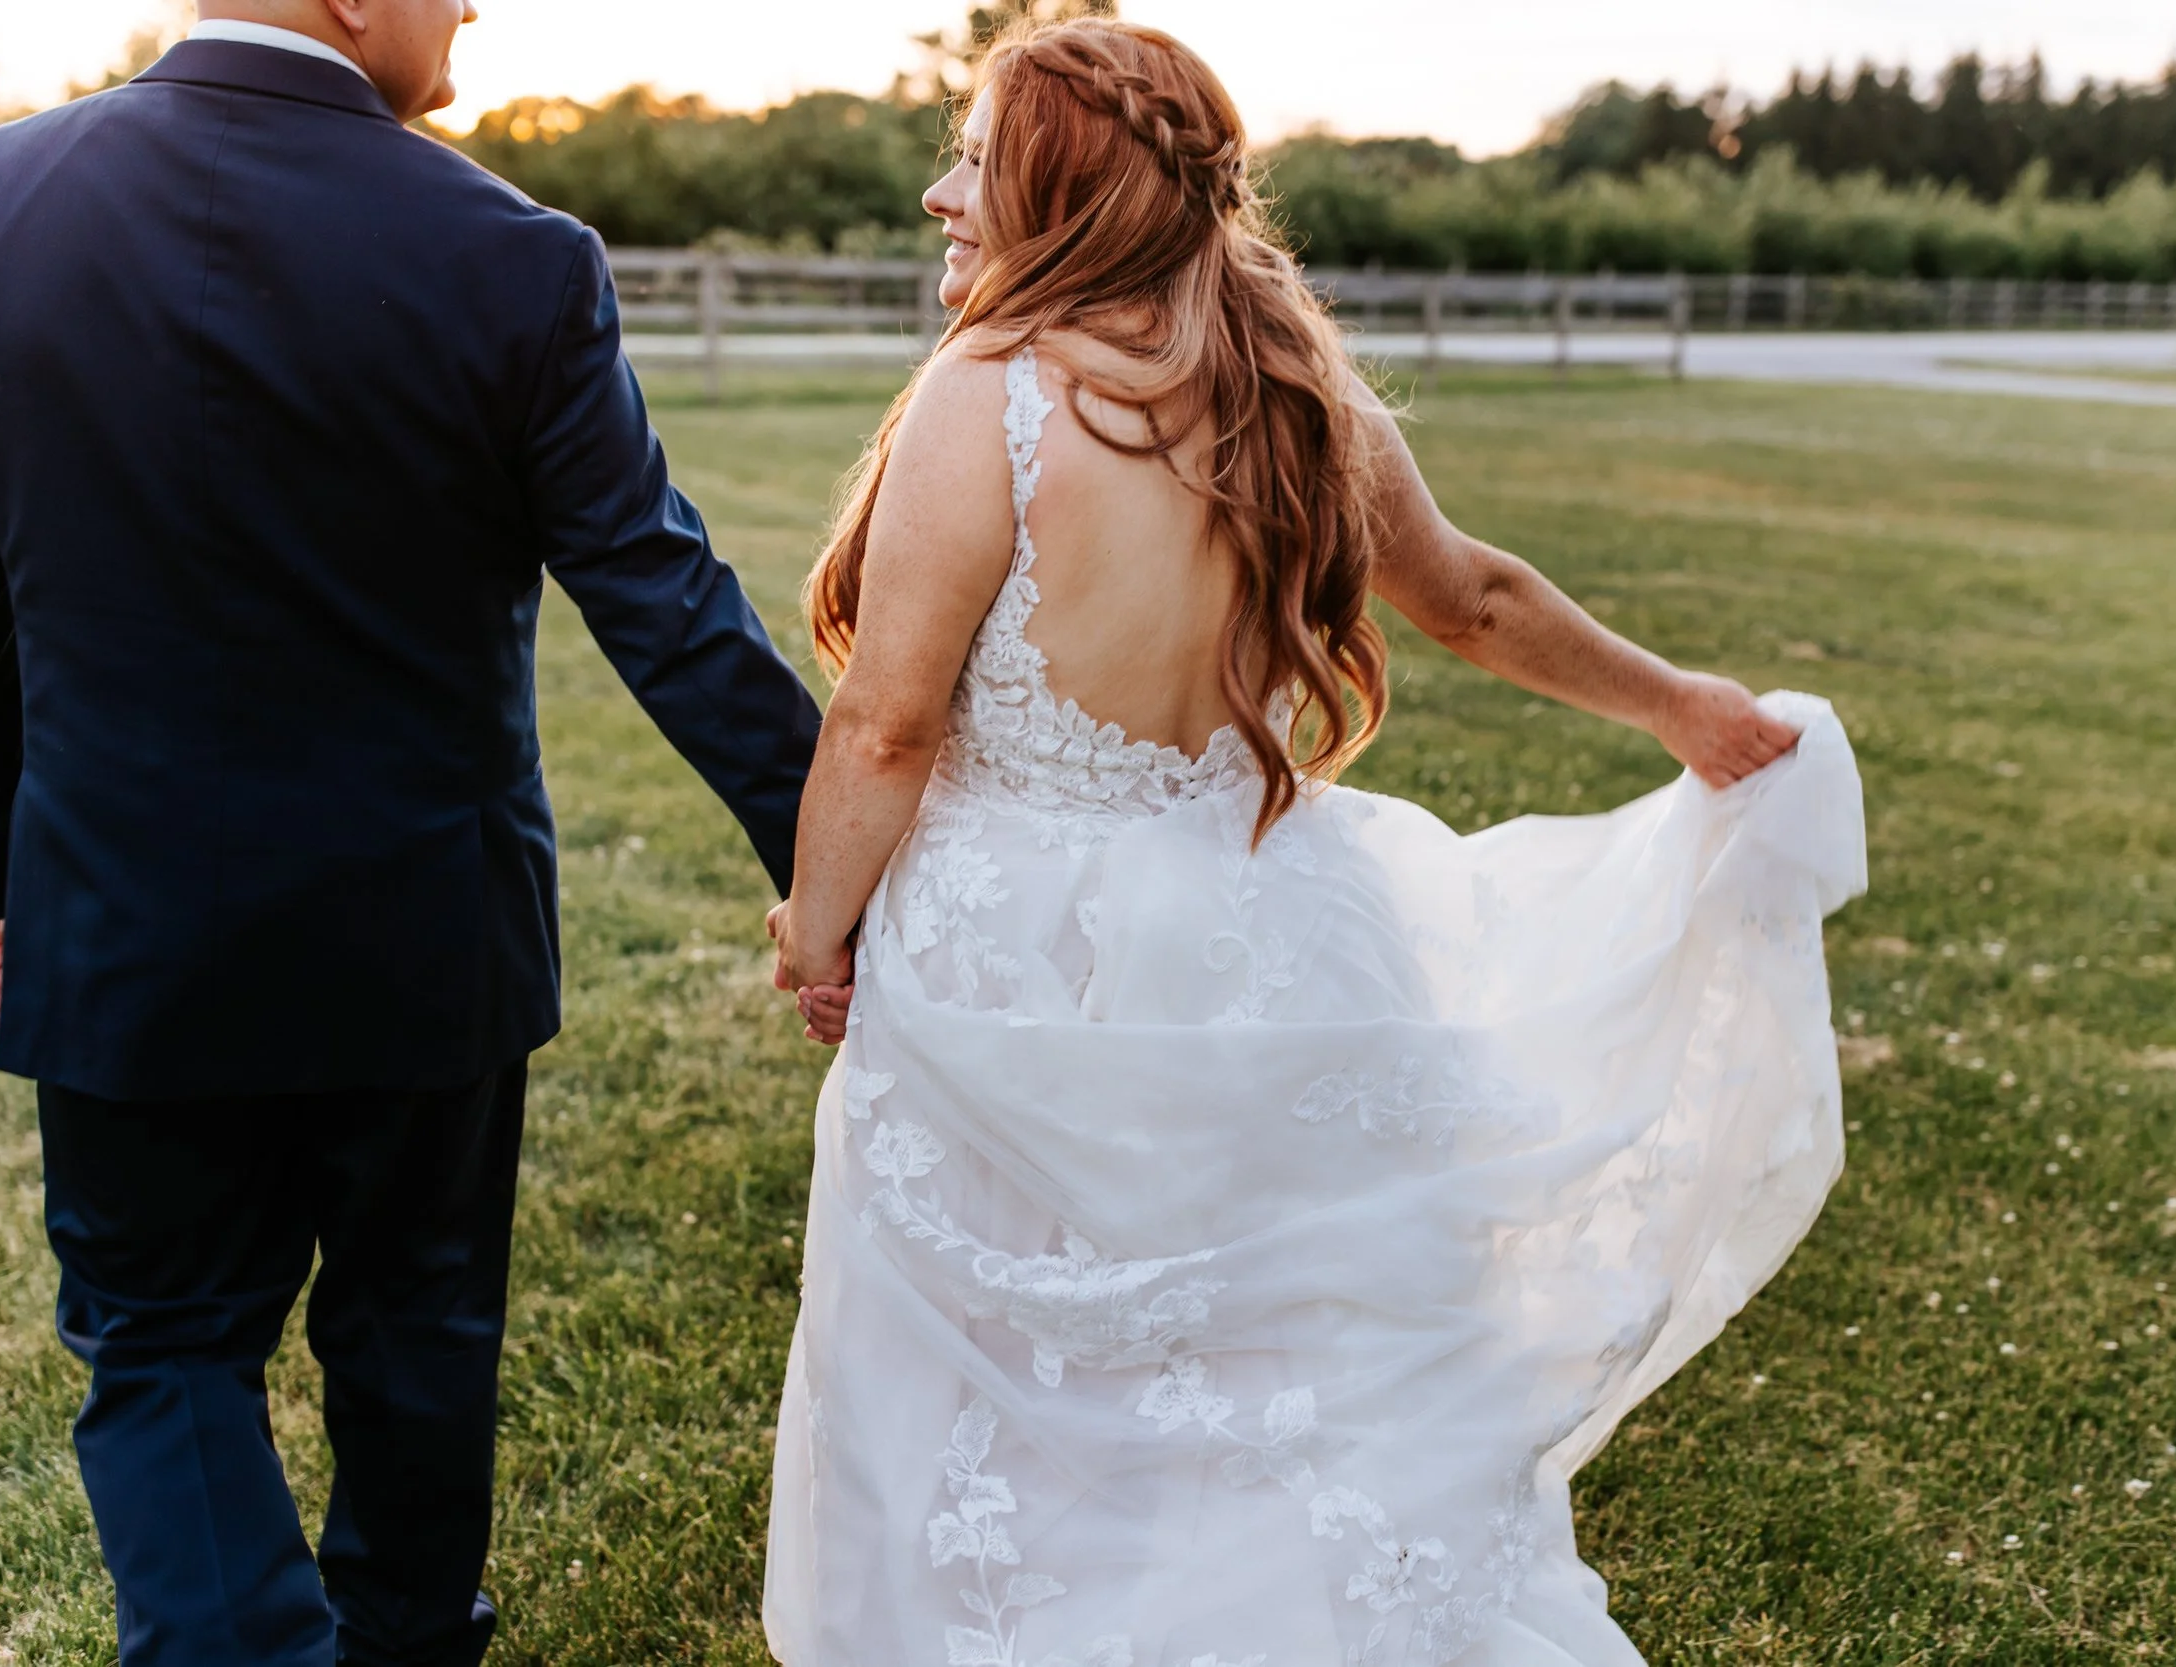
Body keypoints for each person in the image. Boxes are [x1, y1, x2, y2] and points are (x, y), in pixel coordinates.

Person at [760, 19, 1864, 1664]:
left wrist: (817, 924)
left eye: (974, 161)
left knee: (1023, 1374)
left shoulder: (984, 402)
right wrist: (1679, 703)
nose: (941, 193)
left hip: (1018, 971)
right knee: (1276, 1361)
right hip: (1261, 934)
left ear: (1063, 193)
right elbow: (1476, 597)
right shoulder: (1299, 393)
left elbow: (886, 723)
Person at [0, 2, 820, 1662]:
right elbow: (662, 598)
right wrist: (837, 857)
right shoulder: (514, 254)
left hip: (122, 921)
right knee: (419, 1332)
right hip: (423, 928)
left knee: (162, 1348)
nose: (472, 11)